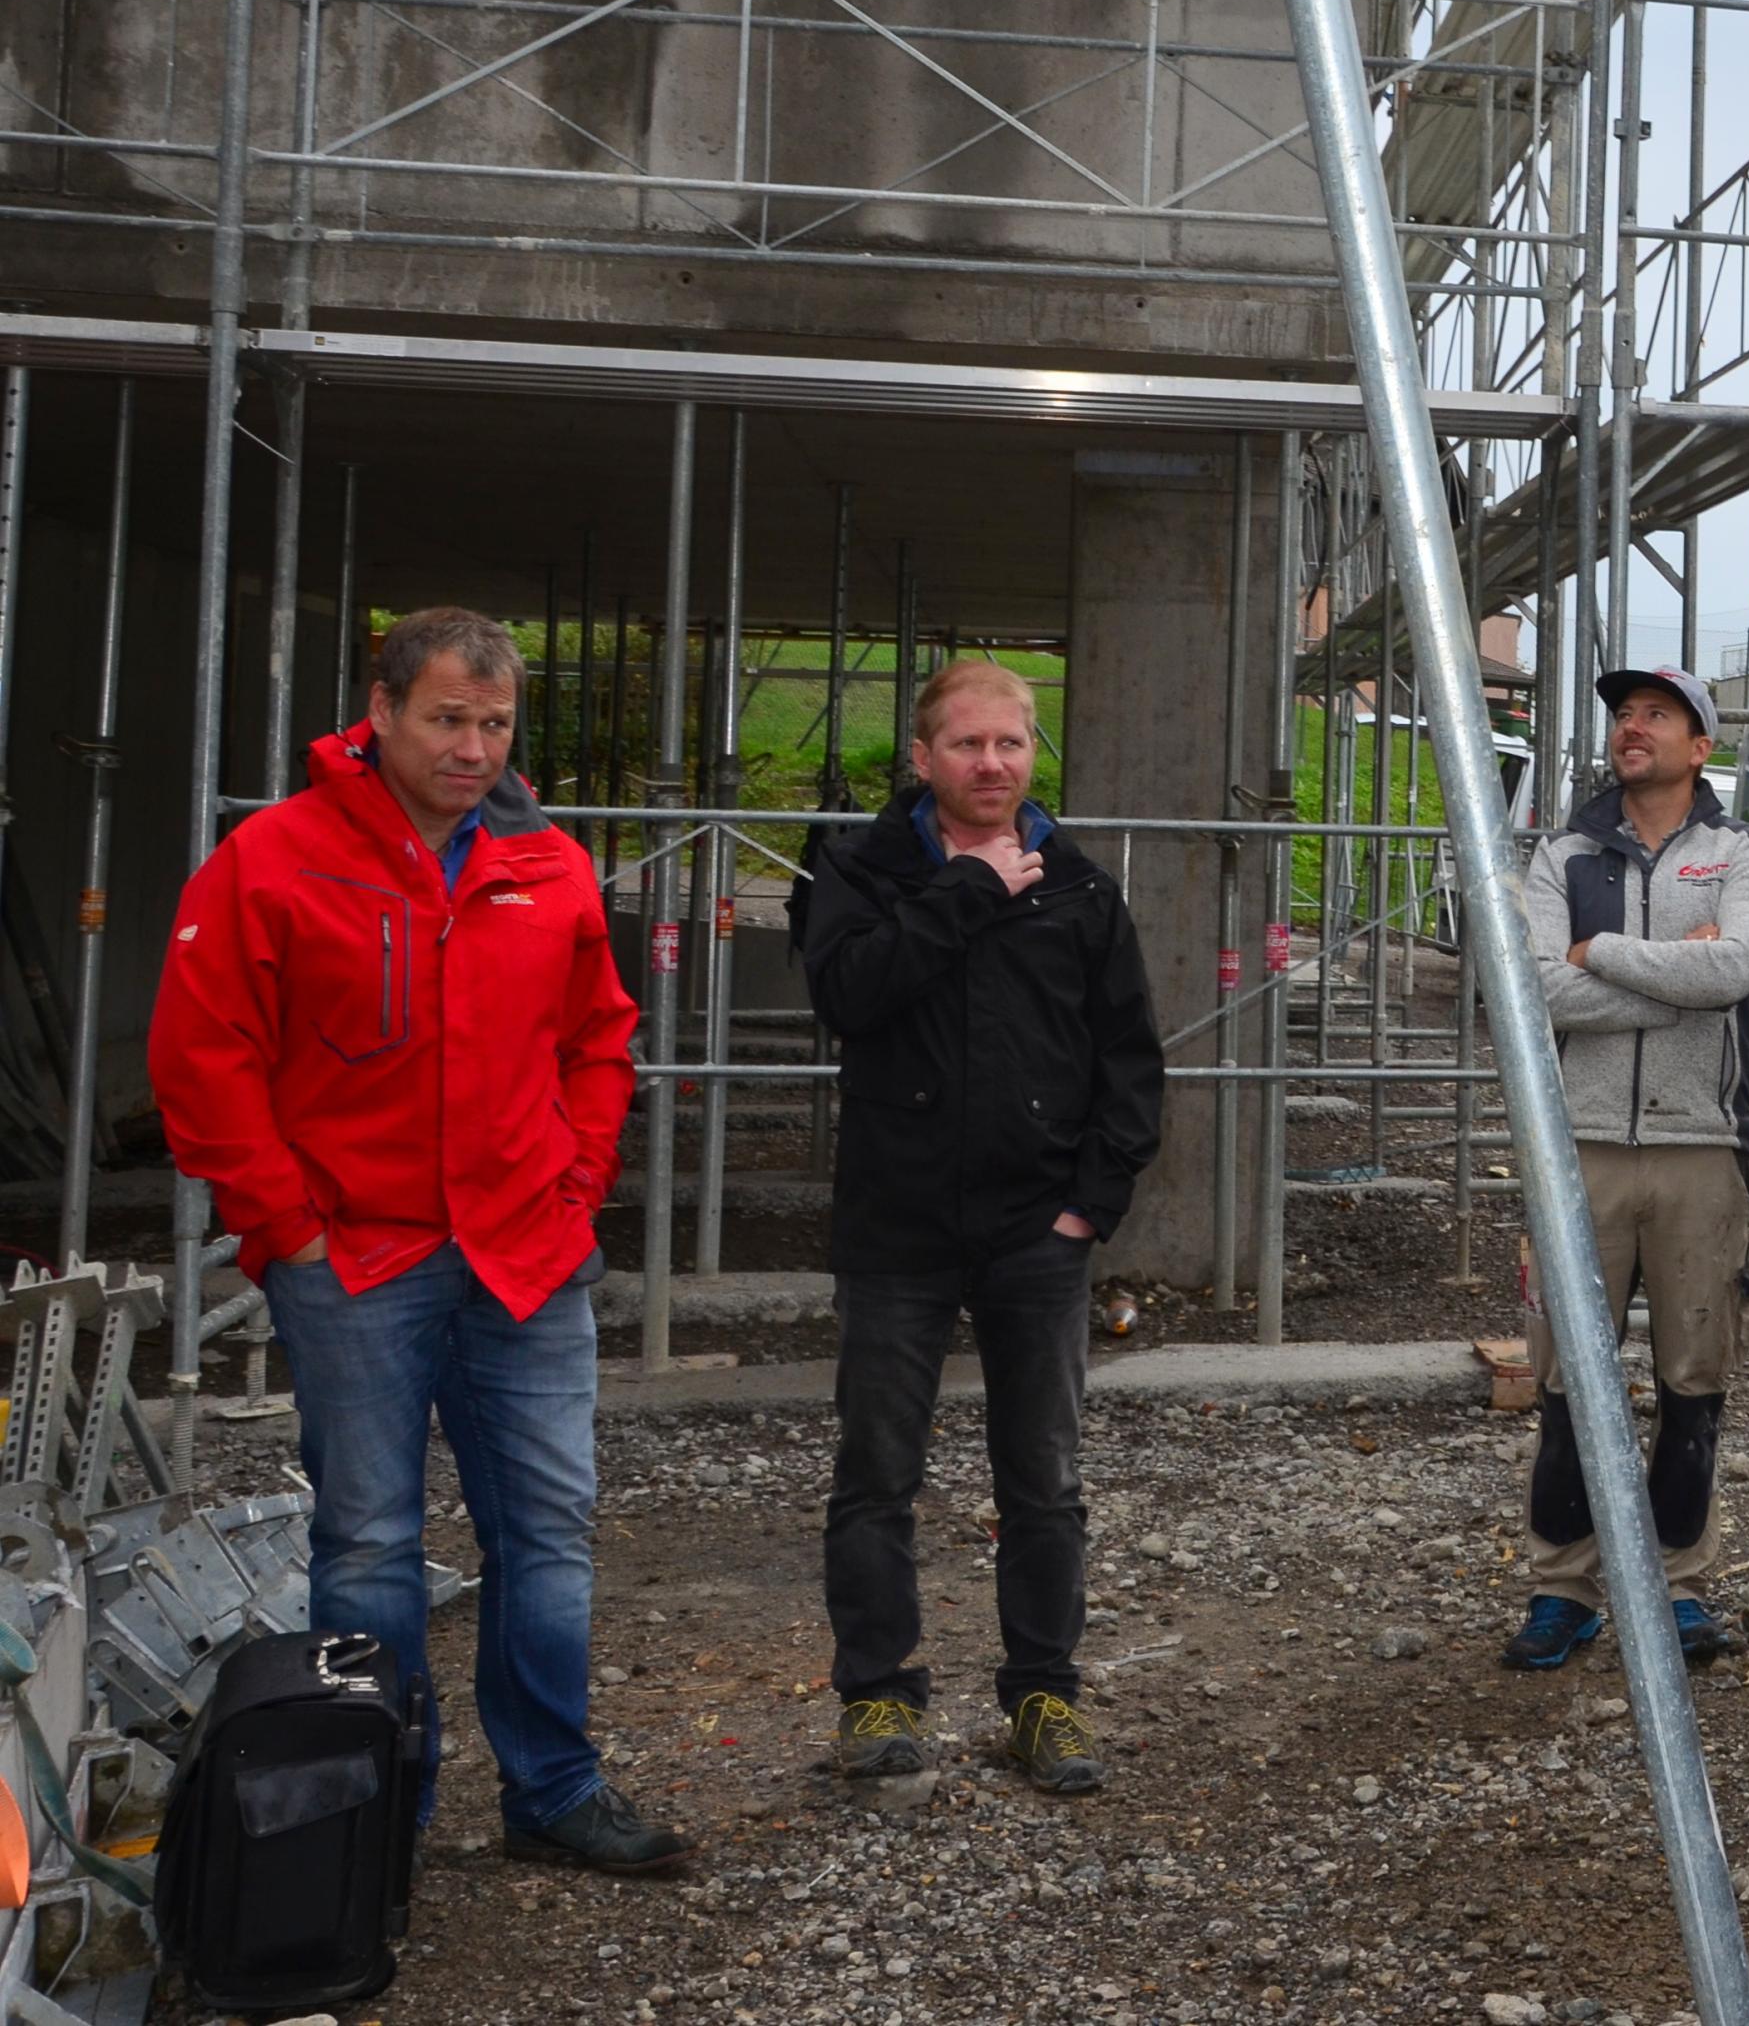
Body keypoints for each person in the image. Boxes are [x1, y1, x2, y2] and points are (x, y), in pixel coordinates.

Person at [146, 607, 694, 1875]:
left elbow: (597, 1039)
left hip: (525, 1253)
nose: (473, 748)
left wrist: (577, 1185)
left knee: (547, 1530)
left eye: (495, 724)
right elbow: (203, 1053)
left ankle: (553, 1790)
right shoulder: (274, 858)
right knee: (370, 1543)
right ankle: (378, 1810)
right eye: (447, 718)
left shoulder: (546, 863)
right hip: (355, 1258)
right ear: (381, 710)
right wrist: (286, 1224)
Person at [797, 657, 1162, 1799]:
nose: (992, 764)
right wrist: (966, 889)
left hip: (1034, 1232)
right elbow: (849, 996)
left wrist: (1088, 1207)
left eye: (1010, 743)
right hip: (895, 1225)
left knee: (1043, 1478)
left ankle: (1044, 1694)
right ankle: (876, 1694)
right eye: (967, 744)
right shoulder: (860, 870)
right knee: (875, 1472)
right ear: (922, 758)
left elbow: (1128, 1060)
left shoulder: (1080, 888)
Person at [1502, 665, 1749, 1673]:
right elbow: (1532, 990)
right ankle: (1563, 1588)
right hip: (1575, 1147)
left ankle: (1677, 1586)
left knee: (1693, 1382)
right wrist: (1677, 982)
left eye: (1657, 715)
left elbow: (1734, 970)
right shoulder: (1563, 852)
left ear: (1700, 747)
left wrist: (1597, 952)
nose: (1632, 727)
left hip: (1701, 1150)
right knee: (1567, 1381)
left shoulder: (1746, 850)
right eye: (1623, 713)